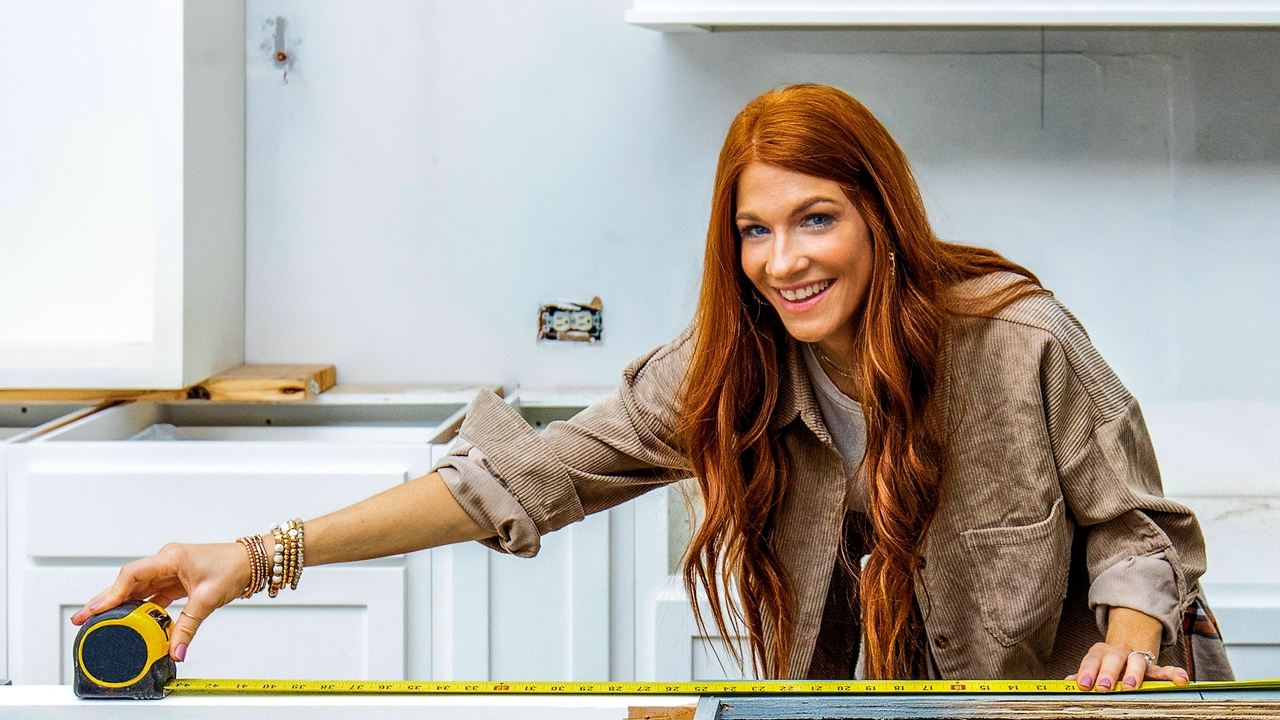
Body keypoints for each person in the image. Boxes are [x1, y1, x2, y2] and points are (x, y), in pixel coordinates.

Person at [72, 83, 1233, 689]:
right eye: (754, 230)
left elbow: (1133, 534)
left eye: (816, 219)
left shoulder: (1018, 341)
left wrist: (1125, 649)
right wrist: (258, 555)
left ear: (880, 218)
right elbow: (516, 481)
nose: (783, 261)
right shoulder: (727, 372)